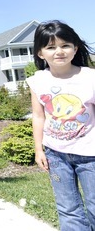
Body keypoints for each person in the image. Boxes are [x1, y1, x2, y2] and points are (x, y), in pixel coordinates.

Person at [26, 20, 95, 231]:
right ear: (40, 53)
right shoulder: (38, 81)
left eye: (65, 45)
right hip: (56, 155)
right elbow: (38, 117)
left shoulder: (90, 78)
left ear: (75, 48)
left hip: (91, 156)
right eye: (50, 47)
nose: (59, 52)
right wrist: (39, 149)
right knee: (67, 208)